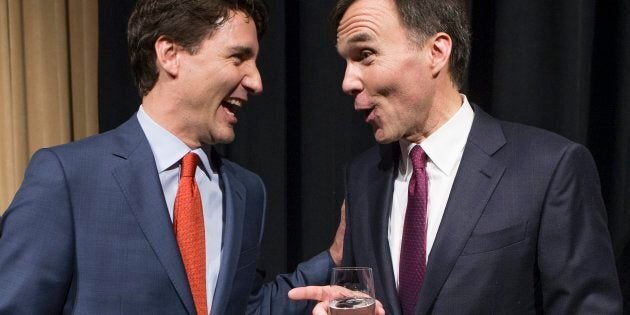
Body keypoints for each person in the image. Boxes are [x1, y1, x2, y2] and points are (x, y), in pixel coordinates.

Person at [0, 0, 341, 314]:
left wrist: (333, 258)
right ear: (170, 53)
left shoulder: (247, 191)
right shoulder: (68, 177)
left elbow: (243, 307)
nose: (256, 81)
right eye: (238, 58)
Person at [290, 0, 623, 313]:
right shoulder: (362, 176)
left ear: (436, 51)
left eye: (365, 54)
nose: (347, 81)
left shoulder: (550, 169)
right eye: (345, 62)